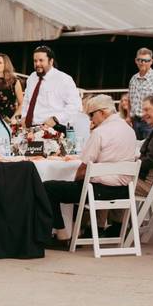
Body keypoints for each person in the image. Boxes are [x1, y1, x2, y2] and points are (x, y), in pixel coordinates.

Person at [42, 94, 136, 249]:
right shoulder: (129, 130)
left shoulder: (100, 132)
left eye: (92, 115)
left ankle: (62, 235)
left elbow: (83, 168)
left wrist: (73, 180)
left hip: (98, 191)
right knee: (73, 185)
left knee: (48, 187)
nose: (91, 119)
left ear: (103, 112)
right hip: (125, 191)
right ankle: (78, 231)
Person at [106, 95, 153, 236]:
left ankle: (116, 227)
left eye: (147, 110)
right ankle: (118, 225)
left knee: (109, 179)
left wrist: (127, 165)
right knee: (114, 176)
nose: (143, 114)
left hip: (150, 185)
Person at [19, 45, 82, 131]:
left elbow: (75, 106)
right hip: (30, 129)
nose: (37, 64)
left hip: (53, 129)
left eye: (41, 60)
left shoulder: (64, 79)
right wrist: (23, 116)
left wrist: (56, 119)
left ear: (51, 61)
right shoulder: (31, 78)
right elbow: (26, 100)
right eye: (35, 61)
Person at [127, 48, 153, 140]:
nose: (143, 63)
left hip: (150, 123)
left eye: (146, 60)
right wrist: (129, 117)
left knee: (150, 149)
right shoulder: (133, 79)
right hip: (135, 121)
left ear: (151, 61)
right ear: (136, 61)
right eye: (140, 60)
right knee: (137, 149)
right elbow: (130, 99)